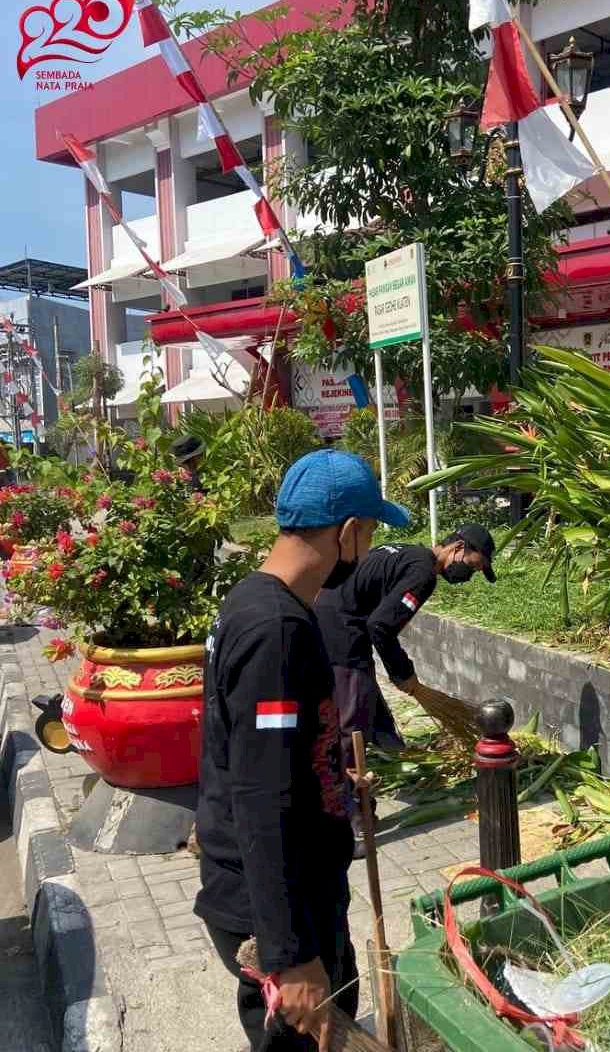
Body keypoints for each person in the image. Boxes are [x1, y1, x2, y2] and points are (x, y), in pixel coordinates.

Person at [194, 448, 409, 1051]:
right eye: (367, 534)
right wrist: (291, 958)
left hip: (286, 895)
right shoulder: (276, 630)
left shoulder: (255, 601)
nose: (367, 551)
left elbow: (268, 758)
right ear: (346, 533)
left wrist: (335, 788)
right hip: (279, 914)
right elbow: (262, 801)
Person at [314, 524, 497, 832]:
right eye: (474, 566)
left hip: (324, 623)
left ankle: (360, 790)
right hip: (341, 638)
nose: (470, 575)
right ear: (458, 549)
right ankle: (351, 824)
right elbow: (381, 627)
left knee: (357, 709)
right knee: (350, 732)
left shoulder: (405, 552)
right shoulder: (423, 573)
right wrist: (404, 675)